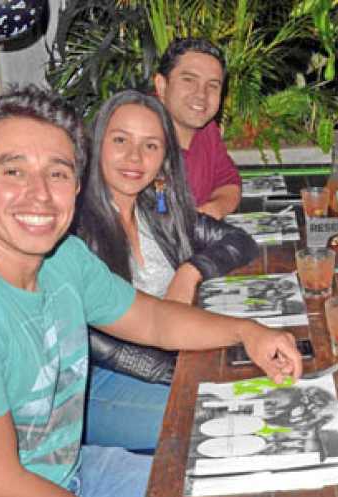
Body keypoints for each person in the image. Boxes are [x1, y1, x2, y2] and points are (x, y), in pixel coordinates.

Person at [0, 85, 301, 497]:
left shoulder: (66, 259)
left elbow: (153, 319)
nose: (40, 193)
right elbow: (0, 483)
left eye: (58, 173)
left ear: (77, 186)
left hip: (77, 470)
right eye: (14, 171)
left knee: (246, 468)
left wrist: (247, 331)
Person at [75, 90, 258, 451]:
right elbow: (94, 340)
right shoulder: (73, 225)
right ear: (97, 143)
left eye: (151, 146)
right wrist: (179, 370)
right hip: (97, 384)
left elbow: (239, 240)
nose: (134, 157)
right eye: (120, 140)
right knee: (230, 423)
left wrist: (189, 271)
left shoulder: (157, 210)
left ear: (164, 158)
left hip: (172, 351)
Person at [154, 37, 241, 219]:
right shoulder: (141, 138)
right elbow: (157, 215)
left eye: (212, 85)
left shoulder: (206, 129)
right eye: (189, 80)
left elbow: (229, 182)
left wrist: (213, 210)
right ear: (162, 86)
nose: (201, 94)